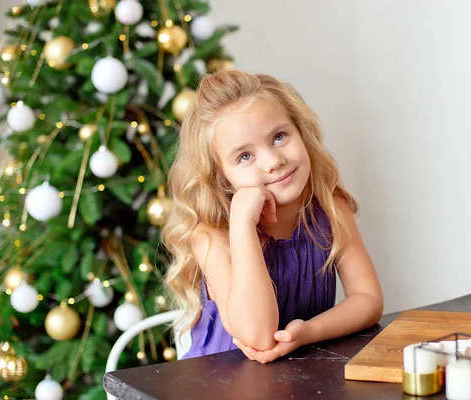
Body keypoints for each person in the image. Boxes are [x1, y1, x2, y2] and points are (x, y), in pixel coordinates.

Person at [162, 69, 383, 363]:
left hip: (303, 378)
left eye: (279, 137)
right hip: (221, 385)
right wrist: (242, 224)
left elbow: (368, 299)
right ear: (223, 178)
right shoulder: (213, 237)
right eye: (244, 156)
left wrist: (308, 332)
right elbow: (259, 338)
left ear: (301, 132)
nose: (274, 161)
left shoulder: (331, 209)